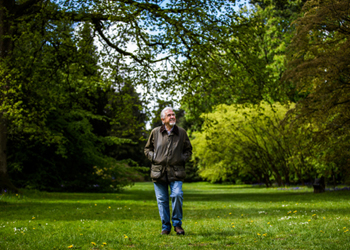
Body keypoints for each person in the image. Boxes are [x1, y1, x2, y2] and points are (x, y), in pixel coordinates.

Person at [144, 107, 192, 235]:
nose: (172, 117)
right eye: (169, 115)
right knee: (162, 200)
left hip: (176, 171)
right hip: (158, 172)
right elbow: (147, 149)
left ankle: (177, 225)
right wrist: (153, 157)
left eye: (173, 115)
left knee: (177, 194)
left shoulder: (181, 132)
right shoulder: (155, 132)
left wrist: (182, 158)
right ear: (162, 119)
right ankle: (165, 227)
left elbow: (188, 150)